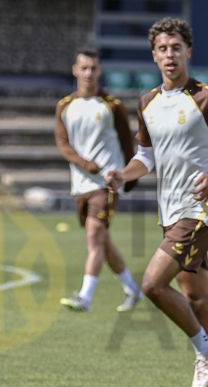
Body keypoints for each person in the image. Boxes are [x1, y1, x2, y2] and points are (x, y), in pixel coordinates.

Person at [108, 18, 208, 387]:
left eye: (176, 47)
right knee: (197, 300)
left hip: (200, 211)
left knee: (152, 285)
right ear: (154, 56)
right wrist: (121, 175)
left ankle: (205, 350)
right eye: (162, 49)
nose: (170, 54)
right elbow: (145, 157)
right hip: (170, 213)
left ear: (188, 52)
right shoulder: (148, 102)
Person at [55, 49, 142, 313]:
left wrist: (129, 178)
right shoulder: (64, 105)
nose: (88, 73)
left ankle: (85, 297)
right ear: (75, 70)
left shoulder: (112, 106)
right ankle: (132, 289)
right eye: (84, 68)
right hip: (80, 184)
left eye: (93, 68)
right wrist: (85, 164)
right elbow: (63, 144)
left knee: (94, 235)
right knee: (101, 240)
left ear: (99, 71)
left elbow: (127, 144)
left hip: (106, 183)